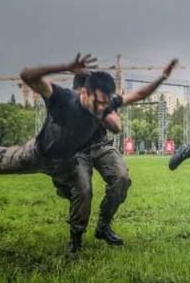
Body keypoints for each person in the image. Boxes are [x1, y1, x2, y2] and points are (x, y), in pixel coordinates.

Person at [0, 54, 178, 252]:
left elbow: (139, 94)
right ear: (83, 92)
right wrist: (65, 66)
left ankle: (77, 242)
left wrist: (162, 78)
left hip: (68, 162)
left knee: (84, 190)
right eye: (98, 102)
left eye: (105, 103)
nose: (102, 109)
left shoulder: (104, 105)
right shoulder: (62, 98)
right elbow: (27, 75)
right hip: (38, 154)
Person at [50, 74, 130, 248]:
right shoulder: (67, 103)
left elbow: (117, 126)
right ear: (80, 91)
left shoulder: (102, 101)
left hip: (101, 145)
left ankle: (103, 226)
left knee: (121, 177)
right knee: (83, 189)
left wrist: (101, 112)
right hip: (76, 150)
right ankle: (76, 237)